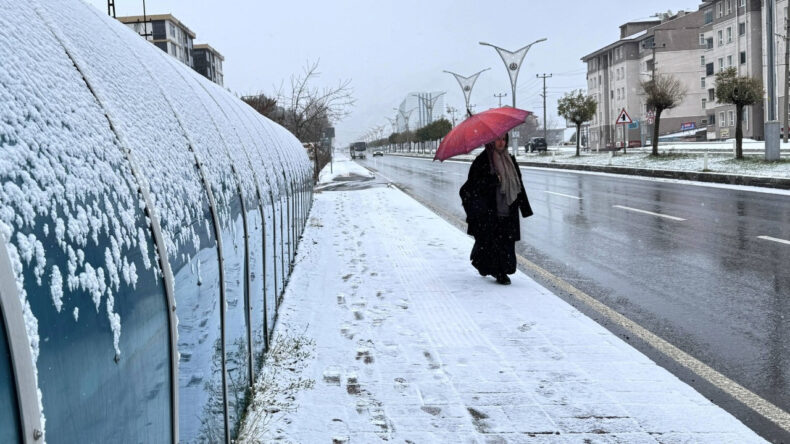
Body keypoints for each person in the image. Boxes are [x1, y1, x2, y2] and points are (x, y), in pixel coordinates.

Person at [459, 133, 532, 285]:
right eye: (498, 139)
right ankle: (500, 273)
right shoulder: (483, 161)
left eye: (504, 139)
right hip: (490, 210)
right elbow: (473, 186)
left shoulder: (510, 160)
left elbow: (518, 184)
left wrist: (524, 208)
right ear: (492, 141)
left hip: (509, 209)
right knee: (493, 242)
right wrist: (492, 180)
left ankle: (500, 268)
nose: (501, 142)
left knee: (506, 242)